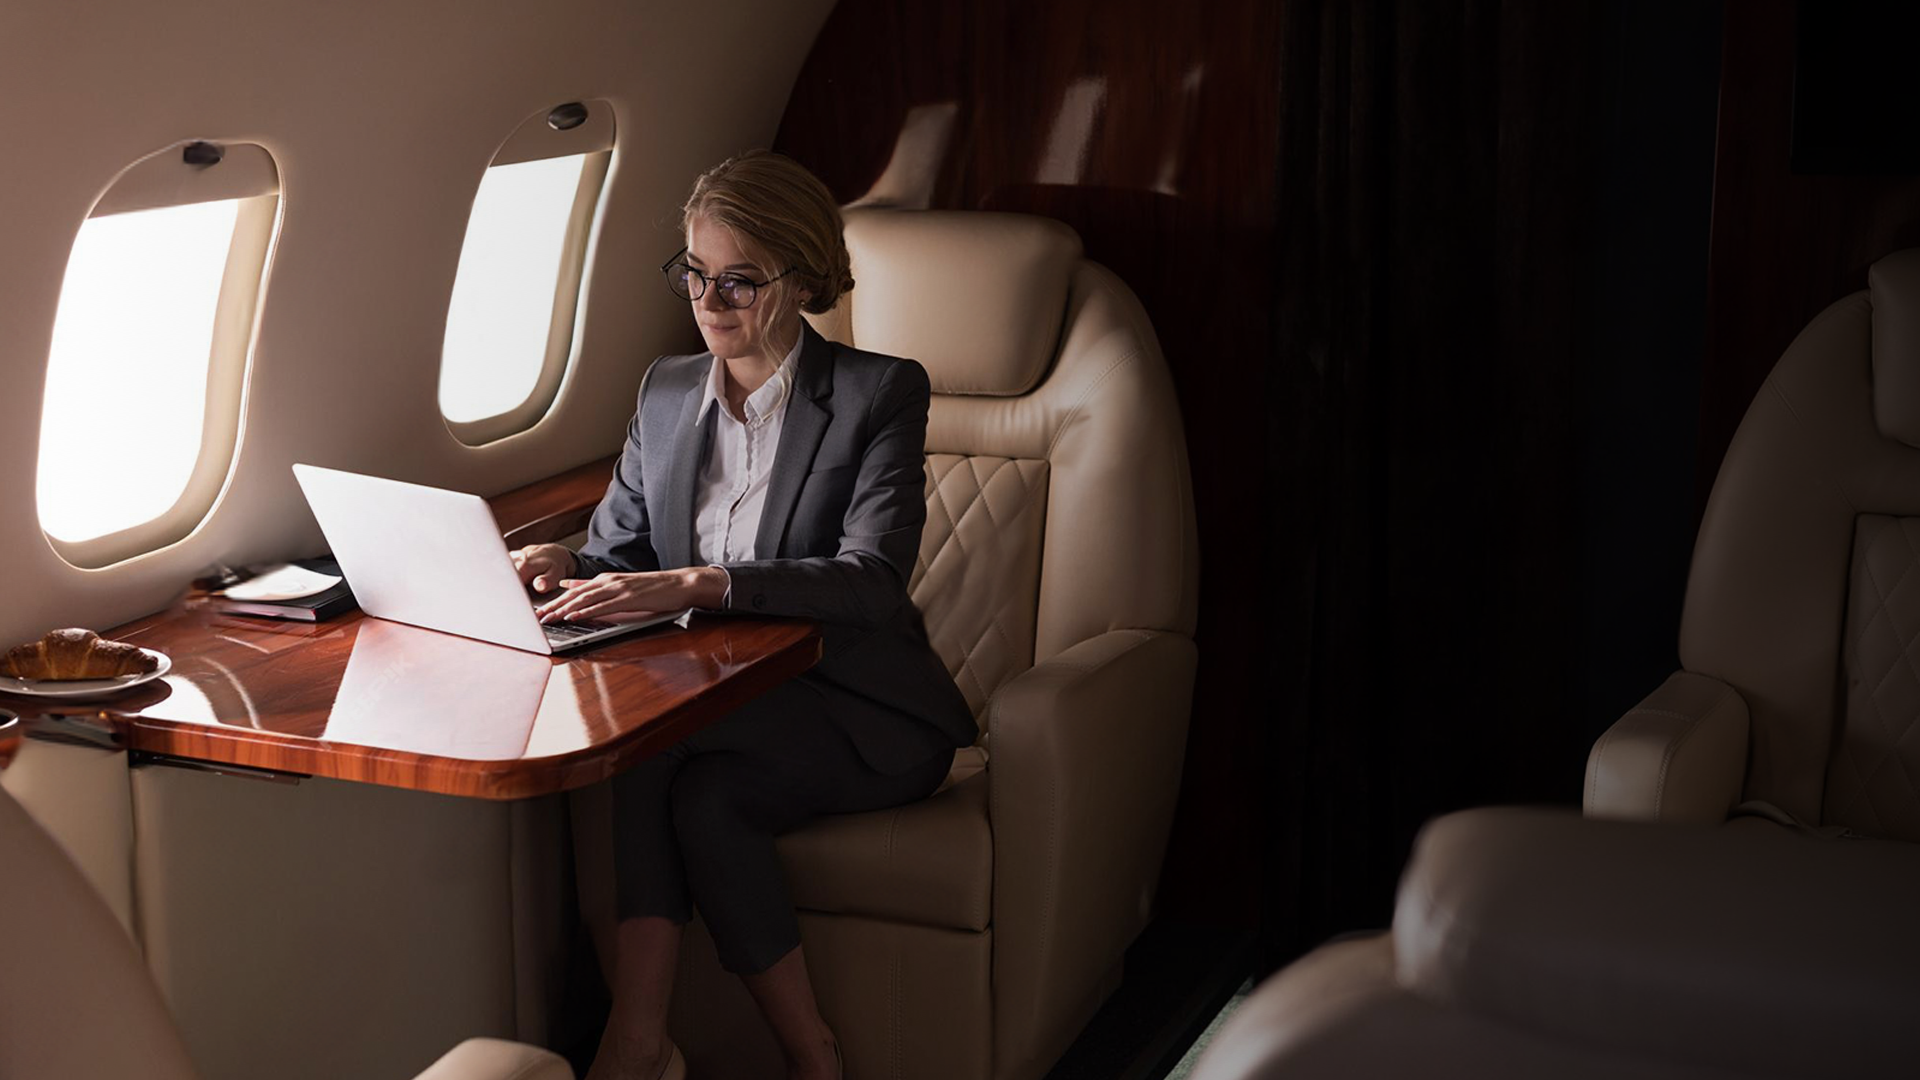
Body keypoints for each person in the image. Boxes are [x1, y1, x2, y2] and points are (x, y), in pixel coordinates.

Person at [511, 150, 974, 1080]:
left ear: (801, 278)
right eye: (694, 274)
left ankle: (635, 1045)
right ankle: (813, 1056)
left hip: (861, 710)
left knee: (659, 742)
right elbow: (622, 548)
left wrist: (704, 583)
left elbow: (871, 578)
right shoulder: (667, 390)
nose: (710, 302)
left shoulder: (879, 392)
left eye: (738, 280)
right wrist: (565, 561)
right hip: (727, 711)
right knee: (705, 800)